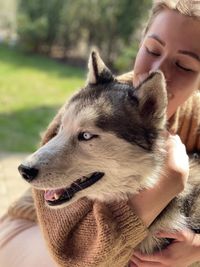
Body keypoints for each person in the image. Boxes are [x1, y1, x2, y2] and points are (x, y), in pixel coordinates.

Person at [0, 0, 200, 266]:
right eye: (152, 50)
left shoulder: (191, 113)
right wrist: (167, 184)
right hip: (31, 234)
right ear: (140, 44)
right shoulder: (91, 104)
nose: (158, 71)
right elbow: (76, 256)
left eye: (185, 65)